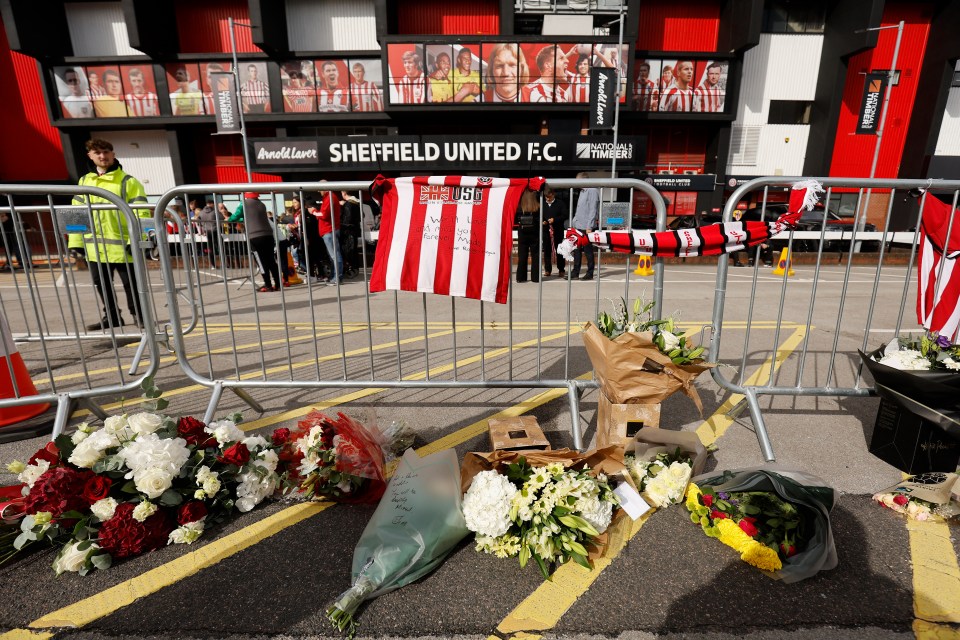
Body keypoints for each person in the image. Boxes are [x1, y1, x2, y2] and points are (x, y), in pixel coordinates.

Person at [69, 138, 150, 330]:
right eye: (97, 152)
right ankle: (112, 317)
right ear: (90, 155)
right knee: (102, 285)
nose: (102, 156)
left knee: (131, 285)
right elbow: (76, 212)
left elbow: (142, 212)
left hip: (123, 245)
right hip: (94, 247)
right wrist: (75, 242)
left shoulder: (128, 182)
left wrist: (139, 239)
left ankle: (139, 316)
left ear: (113, 154)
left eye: (106, 152)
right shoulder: (84, 181)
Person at [237, 193, 282, 292]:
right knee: (271, 261)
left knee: (261, 262)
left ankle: (268, 285)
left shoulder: (243, 204)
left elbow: (235, 216)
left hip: (254, 236)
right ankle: (278, 284)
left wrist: (234, 219)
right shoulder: (261, 204)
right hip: (268, 235)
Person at [570, 172, 599, 280]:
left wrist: (589, 226)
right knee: (576, 250)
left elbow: (593, 209)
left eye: (577, 180)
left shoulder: (592, 191)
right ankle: (575, 272)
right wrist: (574, 222)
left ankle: (590, 273)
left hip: (586, 227)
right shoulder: (582, 191)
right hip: (578, 225)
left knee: (588, 251)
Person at [515, 190, 541, 283]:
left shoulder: (519, 207)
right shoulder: (538, 206)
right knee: (536, 255)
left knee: (522, 256)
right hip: (534, 233)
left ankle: (521, 277)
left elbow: (515, 219)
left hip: (522, 233)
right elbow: (540, 220)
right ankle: (536, 277)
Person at [542, 186, 568, 278]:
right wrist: (543, 221)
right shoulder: (542, 203)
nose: (547, 199)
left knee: (559, 250)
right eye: (546, 197)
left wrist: (555, 220)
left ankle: (561, 269)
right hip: (545, 231)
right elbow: (538, 215)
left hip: (557, 231)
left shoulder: (560, 203)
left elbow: (565, 215)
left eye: (549, 196)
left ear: (553, 194)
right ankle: (547, 269)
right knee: (547, 250)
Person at [193, 198, 222, 267]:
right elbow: (221, 218)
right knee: (220, 247)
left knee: (210, 248)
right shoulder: (215, 211)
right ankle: (224, 263)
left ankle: (213, 265)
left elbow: (198, 221)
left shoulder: (201, 212)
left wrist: (203, 227)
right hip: (215, 230)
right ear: (212, 204)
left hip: (207, 231)